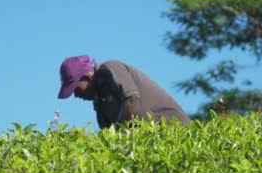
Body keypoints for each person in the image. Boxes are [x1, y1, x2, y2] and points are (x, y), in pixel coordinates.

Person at [57, 55, 191, 129]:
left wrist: (119, 135)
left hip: (176, 131)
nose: (76, 95)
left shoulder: (110, 68)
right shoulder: (99, 102)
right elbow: (107, 135)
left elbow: (131, 99)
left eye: (75, 88)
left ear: (87, 76)